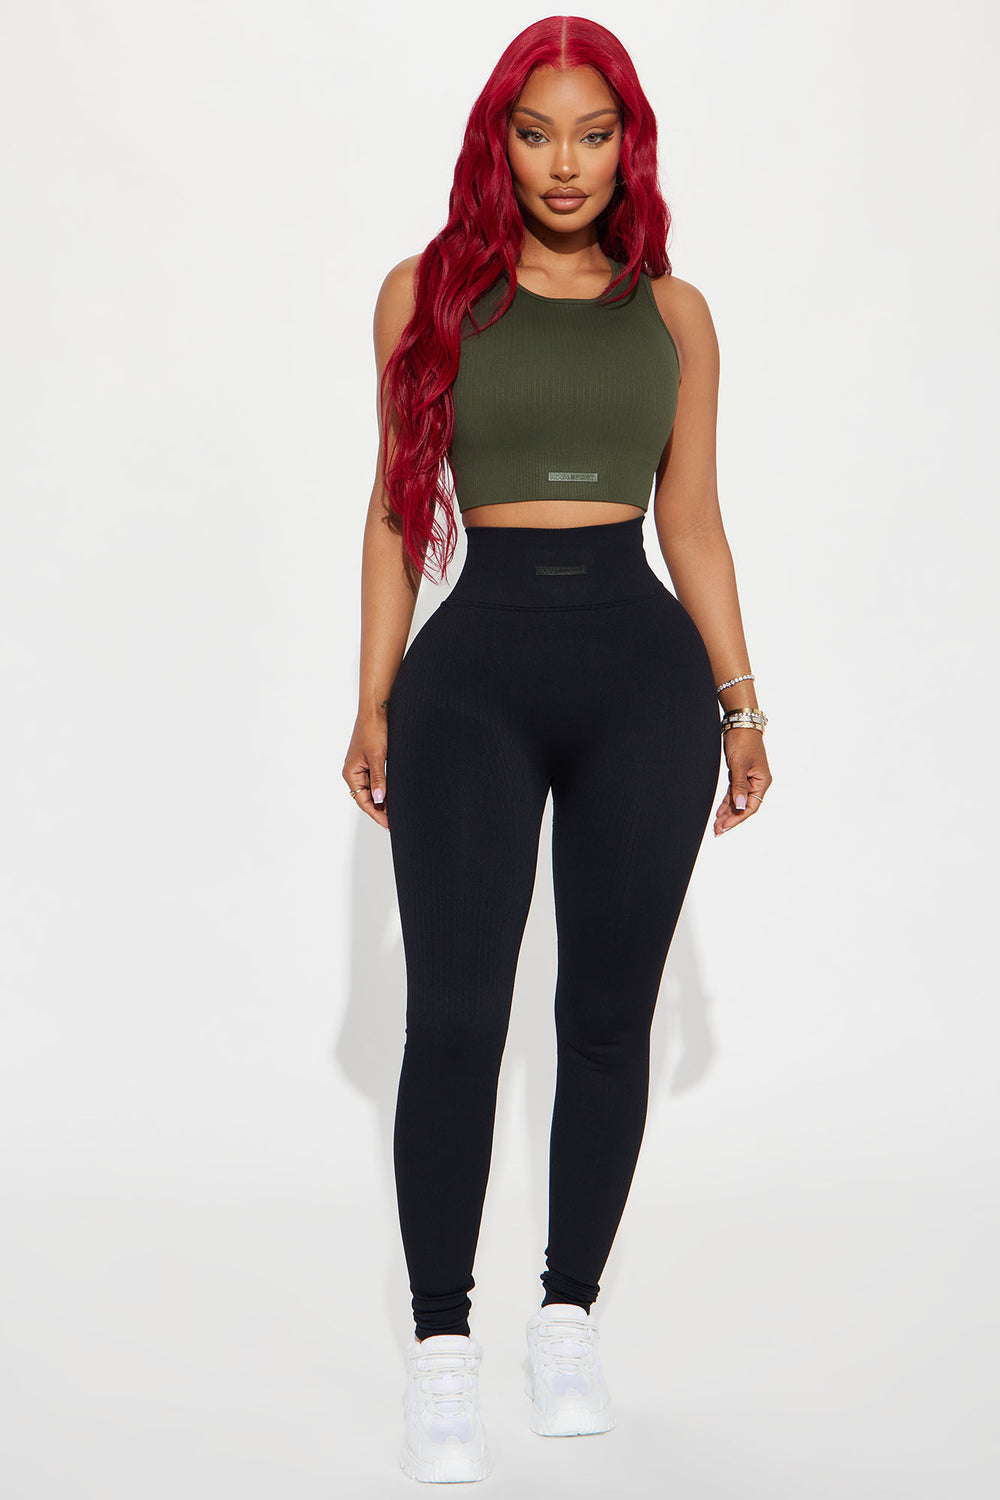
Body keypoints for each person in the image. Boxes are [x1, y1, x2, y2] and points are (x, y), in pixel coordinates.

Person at [342, 15, 772, 1484]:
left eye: (593, 133)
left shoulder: (676, 317)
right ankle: (441, 1347)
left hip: (643, 684)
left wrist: (741, 703)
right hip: (474, 682)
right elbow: (396, 513)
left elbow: (693, 523)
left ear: (628, 142)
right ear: (500, 143)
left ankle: (569, 1317)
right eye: (537, 134)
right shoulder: (426, 297)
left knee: (605, 1017)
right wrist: (373, 698)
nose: (566, 162)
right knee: (455, 1020)